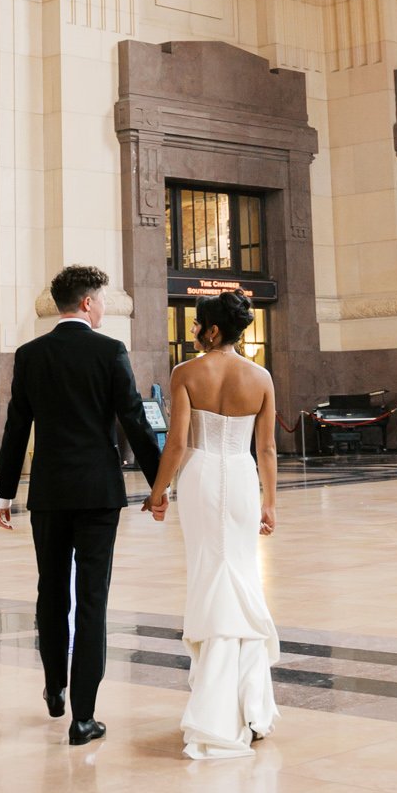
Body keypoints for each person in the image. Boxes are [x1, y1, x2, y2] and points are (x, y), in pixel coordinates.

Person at [0, 264, 161, 746]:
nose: (104, 307)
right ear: (87, 303)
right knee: (92, 600)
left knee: (51, 592)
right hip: (98, 495)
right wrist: (158, 485)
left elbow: (16, 427)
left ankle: (54, 687)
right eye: (102, 300)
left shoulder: (30, 354)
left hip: (47, 493)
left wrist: (5, 491)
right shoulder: (109, 351)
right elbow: (133, 420)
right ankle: (83, 717)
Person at [147, 290, 280, 760]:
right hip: (243, 478)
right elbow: (266, 450)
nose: (195, 333)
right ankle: (251, 708)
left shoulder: (186, 373)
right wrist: (270, 502)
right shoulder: (260, 377)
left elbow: (177, 444)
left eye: (198, 324)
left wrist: (158, 492)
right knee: (239, 573)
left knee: (209, 574)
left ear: (214, 329)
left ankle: (216, 704)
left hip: (202, 478)